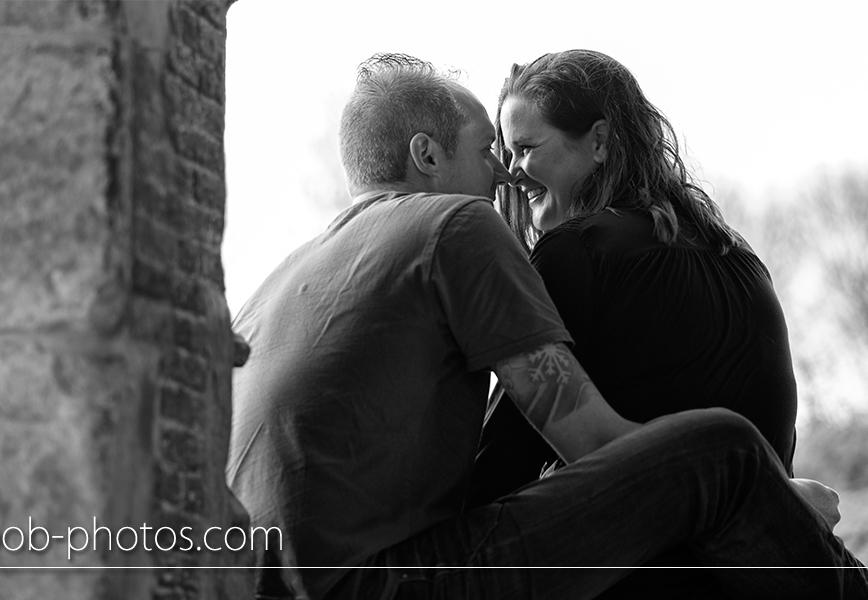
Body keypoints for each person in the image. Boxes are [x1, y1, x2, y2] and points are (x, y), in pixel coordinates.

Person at [226, 53, 866, 600]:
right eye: (490, 151)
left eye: (519, 151)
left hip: (256, 577)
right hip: (386, 581)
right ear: (426, 155)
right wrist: (768, 497)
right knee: (725, 448)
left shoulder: (270, 286)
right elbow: (586, 438)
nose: (504, 174)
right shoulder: (456, 222)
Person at [465, 48, 803, 598]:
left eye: (526, 148)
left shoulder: (575, 253)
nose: (511, 171)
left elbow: (500, 464)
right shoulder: (738, 257)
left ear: (598, 142)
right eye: (503, 151)